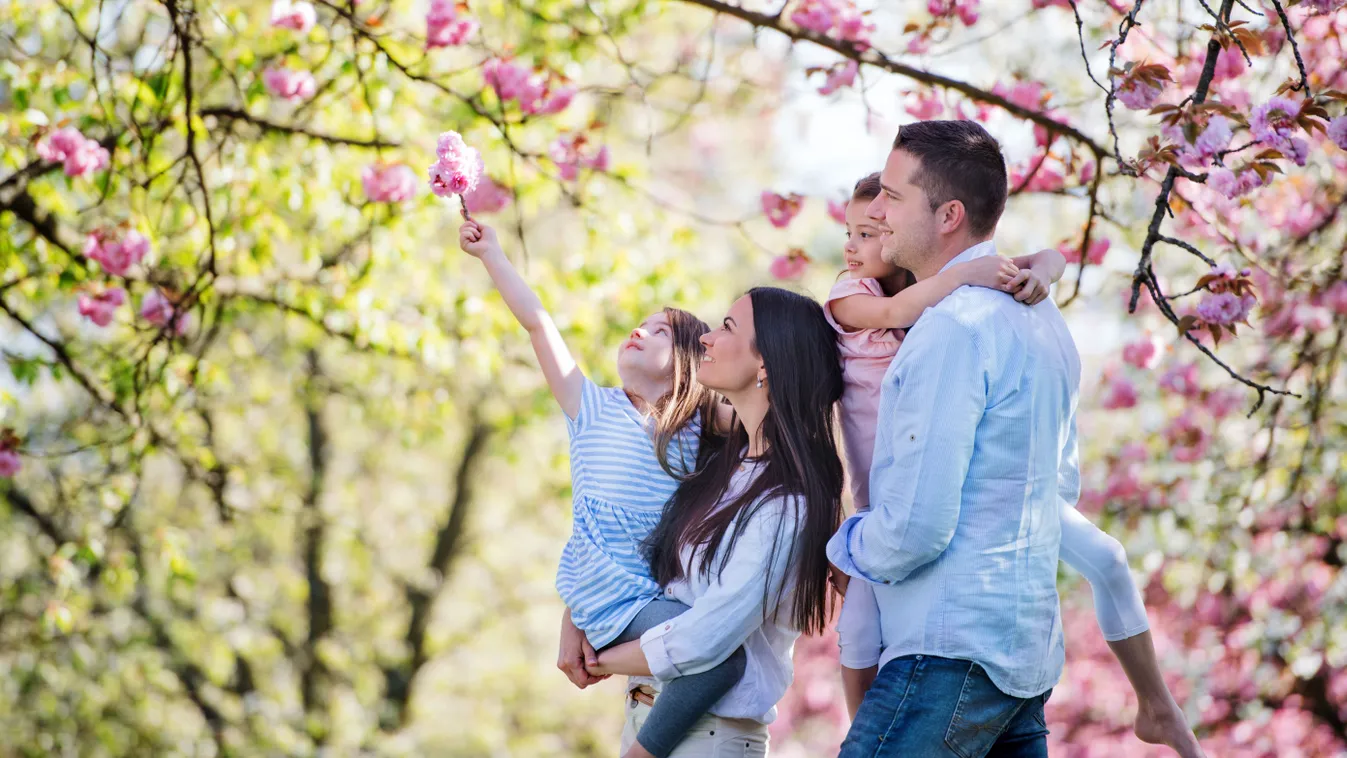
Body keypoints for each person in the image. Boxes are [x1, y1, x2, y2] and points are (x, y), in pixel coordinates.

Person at [828, 120, 1203, 758]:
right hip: (1023, 661)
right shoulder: (1047, 324)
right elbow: (1059, 490)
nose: (878, 212)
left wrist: (838, 546)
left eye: (892, 196)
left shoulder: (952, 329)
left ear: (948, 214)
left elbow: (914, 531)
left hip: (945, 656)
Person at [458, 219, 745, 758]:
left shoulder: (702, 424)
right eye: (640, 324)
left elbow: (763, 412)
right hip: (608, 596)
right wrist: (492, 254)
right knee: (722, 660)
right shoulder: (590, 408)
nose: (640, 330)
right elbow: (539, 325)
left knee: (715, 656)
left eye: (661, 332)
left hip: (655, 592)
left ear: (686, 366)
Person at [827, 170, 1068, 716]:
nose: (856, 243)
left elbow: (1049, 256)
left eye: (869, 231)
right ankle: (861, 730)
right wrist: (969, 276)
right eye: (854, 231)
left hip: (900, 496)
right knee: (859, 632)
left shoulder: (946, 314)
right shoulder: (851, 294)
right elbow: (894, 313)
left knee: (875, 625)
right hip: (871, 501)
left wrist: (1046, 270)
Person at [573, 287, 845, 757]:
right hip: (649, 717)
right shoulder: (720, 468)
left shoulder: (788, 506)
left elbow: (706, 640)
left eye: (728, 328)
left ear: (766, 365)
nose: (706, 339)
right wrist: (576, 614)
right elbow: (640, 560)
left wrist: (600, 658)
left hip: (706, 738)